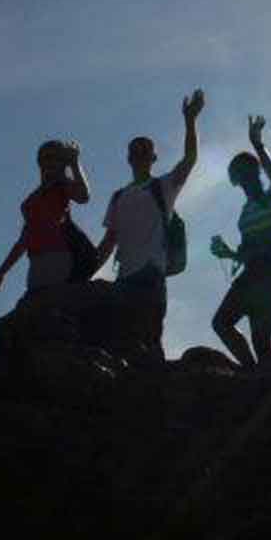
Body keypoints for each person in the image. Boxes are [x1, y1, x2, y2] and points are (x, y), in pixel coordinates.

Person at [94, 89, 205, 358]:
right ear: (129, 157)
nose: (140, 153)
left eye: (146, 149)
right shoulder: (119, 197)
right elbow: (109, 241)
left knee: (149, 342)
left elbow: (189, 160)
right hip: (124, 278)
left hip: (151, 274)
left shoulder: (162, 187)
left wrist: (190, 121)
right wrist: (86, 272)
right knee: (121, 344)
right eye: (136, 149)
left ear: (153, 157)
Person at [210, 115, 271, 368]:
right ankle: (252, 371)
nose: (243, 180)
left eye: (244, 173)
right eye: (239, 176)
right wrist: (228, 253)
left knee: (260, 344)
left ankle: (257, 373)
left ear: (255, 172)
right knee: (224, 325)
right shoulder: (245, 216)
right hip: (254, 275)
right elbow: (248, 253)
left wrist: (258, 145)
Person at [0, 140, 91, 294]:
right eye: (45, 157)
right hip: (37, 263)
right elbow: (25, 238)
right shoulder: (31, 201)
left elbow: (83, 196)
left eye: (54, 157)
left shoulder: (62, 185)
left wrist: (74, 163)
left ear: (62, 161)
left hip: (60, 257)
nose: (48, 162)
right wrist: (2, 272)